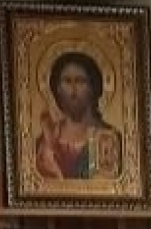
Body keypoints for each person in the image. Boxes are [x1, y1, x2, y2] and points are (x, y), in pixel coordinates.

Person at [35, 51, 122, 180]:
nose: (73, 88)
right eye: (67, 81)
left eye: (80, 81)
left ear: (93, 87)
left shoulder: (108, 138)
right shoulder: (44, 141)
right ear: (57, 89)